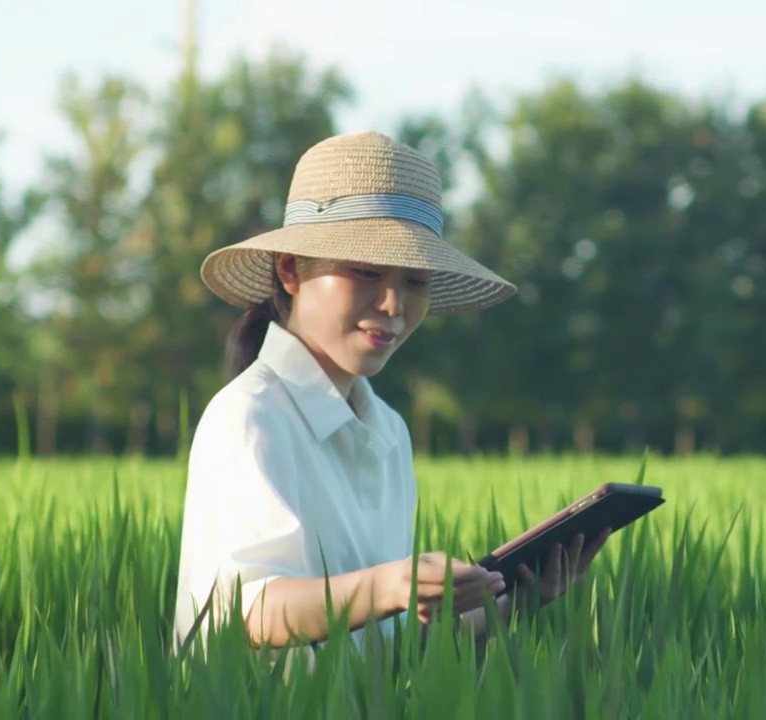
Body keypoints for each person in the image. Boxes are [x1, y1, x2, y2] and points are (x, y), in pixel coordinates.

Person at [172, 131, 610, 652]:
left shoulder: (388, 432)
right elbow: (248, 611)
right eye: (366, 272)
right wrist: (385, 586)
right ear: (290, 270)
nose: (392, 304)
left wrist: (518, 598)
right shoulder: (251, 415)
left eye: (415, 281)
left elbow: (391, 645)